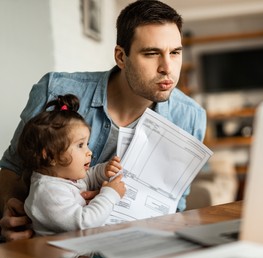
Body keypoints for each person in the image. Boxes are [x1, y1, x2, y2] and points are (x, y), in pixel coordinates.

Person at [0, 0, 206, 241]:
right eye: (151, 53)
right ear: (121, 56)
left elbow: (175, 205)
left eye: (175, 52)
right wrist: (11, 215)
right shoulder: (55, 89)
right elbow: (12, 169)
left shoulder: (190, 117)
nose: (167, 67)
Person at [18, 94, 126, 236]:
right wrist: (110, 195)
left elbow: (86, 179)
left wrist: (103, 171)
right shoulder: (49, 193)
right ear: (50, 155)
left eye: (87, 144)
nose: (89, 152)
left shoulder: (62, 176)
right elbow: (83, 223)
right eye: (80, 145)